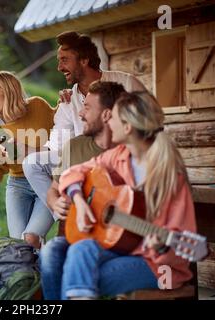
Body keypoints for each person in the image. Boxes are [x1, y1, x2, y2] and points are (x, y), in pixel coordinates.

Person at [58, 91, 196, 299]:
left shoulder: (170, 178)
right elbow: (74, 172)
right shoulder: (119, 155)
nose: (108, 121)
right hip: (123, 248)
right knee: (79, 250)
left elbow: (184, 245)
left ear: (128, 127)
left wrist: (160, 247)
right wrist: (79, 200)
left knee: (78, 275)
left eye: (112, 117)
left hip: (159, 267)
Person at [23, 31, 147, 228]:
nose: (59, 67)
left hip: (125, 159)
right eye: (58, 60)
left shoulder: (127, 84)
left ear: (84, 60)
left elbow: (152, 123)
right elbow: (56, 146)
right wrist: (18, 150)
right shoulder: (67, 102)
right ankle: (67, 216)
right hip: (84, 161)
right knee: (32, 163)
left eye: (64, 60)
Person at [40, 81, 126, 300]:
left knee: (78, 260)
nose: (80, 113)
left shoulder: (128, 151)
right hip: (75, 235)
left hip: (116, 238)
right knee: (50, 253)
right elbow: (53, 189)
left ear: (107, 114)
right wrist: (54, 203)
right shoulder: (74, 146)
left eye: (87, 107)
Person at [0, 71, 55, 249]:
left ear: (8, 91)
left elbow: (63, 123)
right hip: (18, 184)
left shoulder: (38, 106)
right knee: (19, 245)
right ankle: (32, 276)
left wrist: (67, 99)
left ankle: (46, 271)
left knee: (31, 239)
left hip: (47, 180)